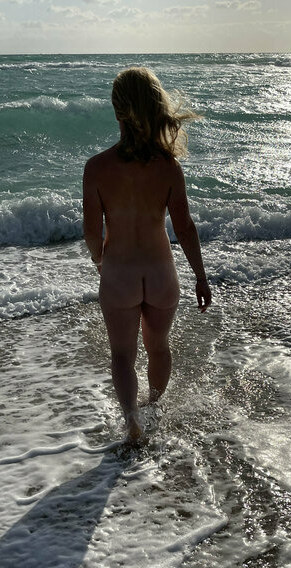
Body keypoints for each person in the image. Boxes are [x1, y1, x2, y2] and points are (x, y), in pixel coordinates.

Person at [83, 66, 211, 442]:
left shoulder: (97, 168)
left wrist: (100, 261)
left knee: (122, 355)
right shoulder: (169, 168)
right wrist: (200, 277)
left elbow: (92, 232)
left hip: (119, 273)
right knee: (158, 347)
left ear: (116, 110)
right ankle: (153, 407)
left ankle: (131, 421)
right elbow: (185, 229)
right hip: (160, 275)